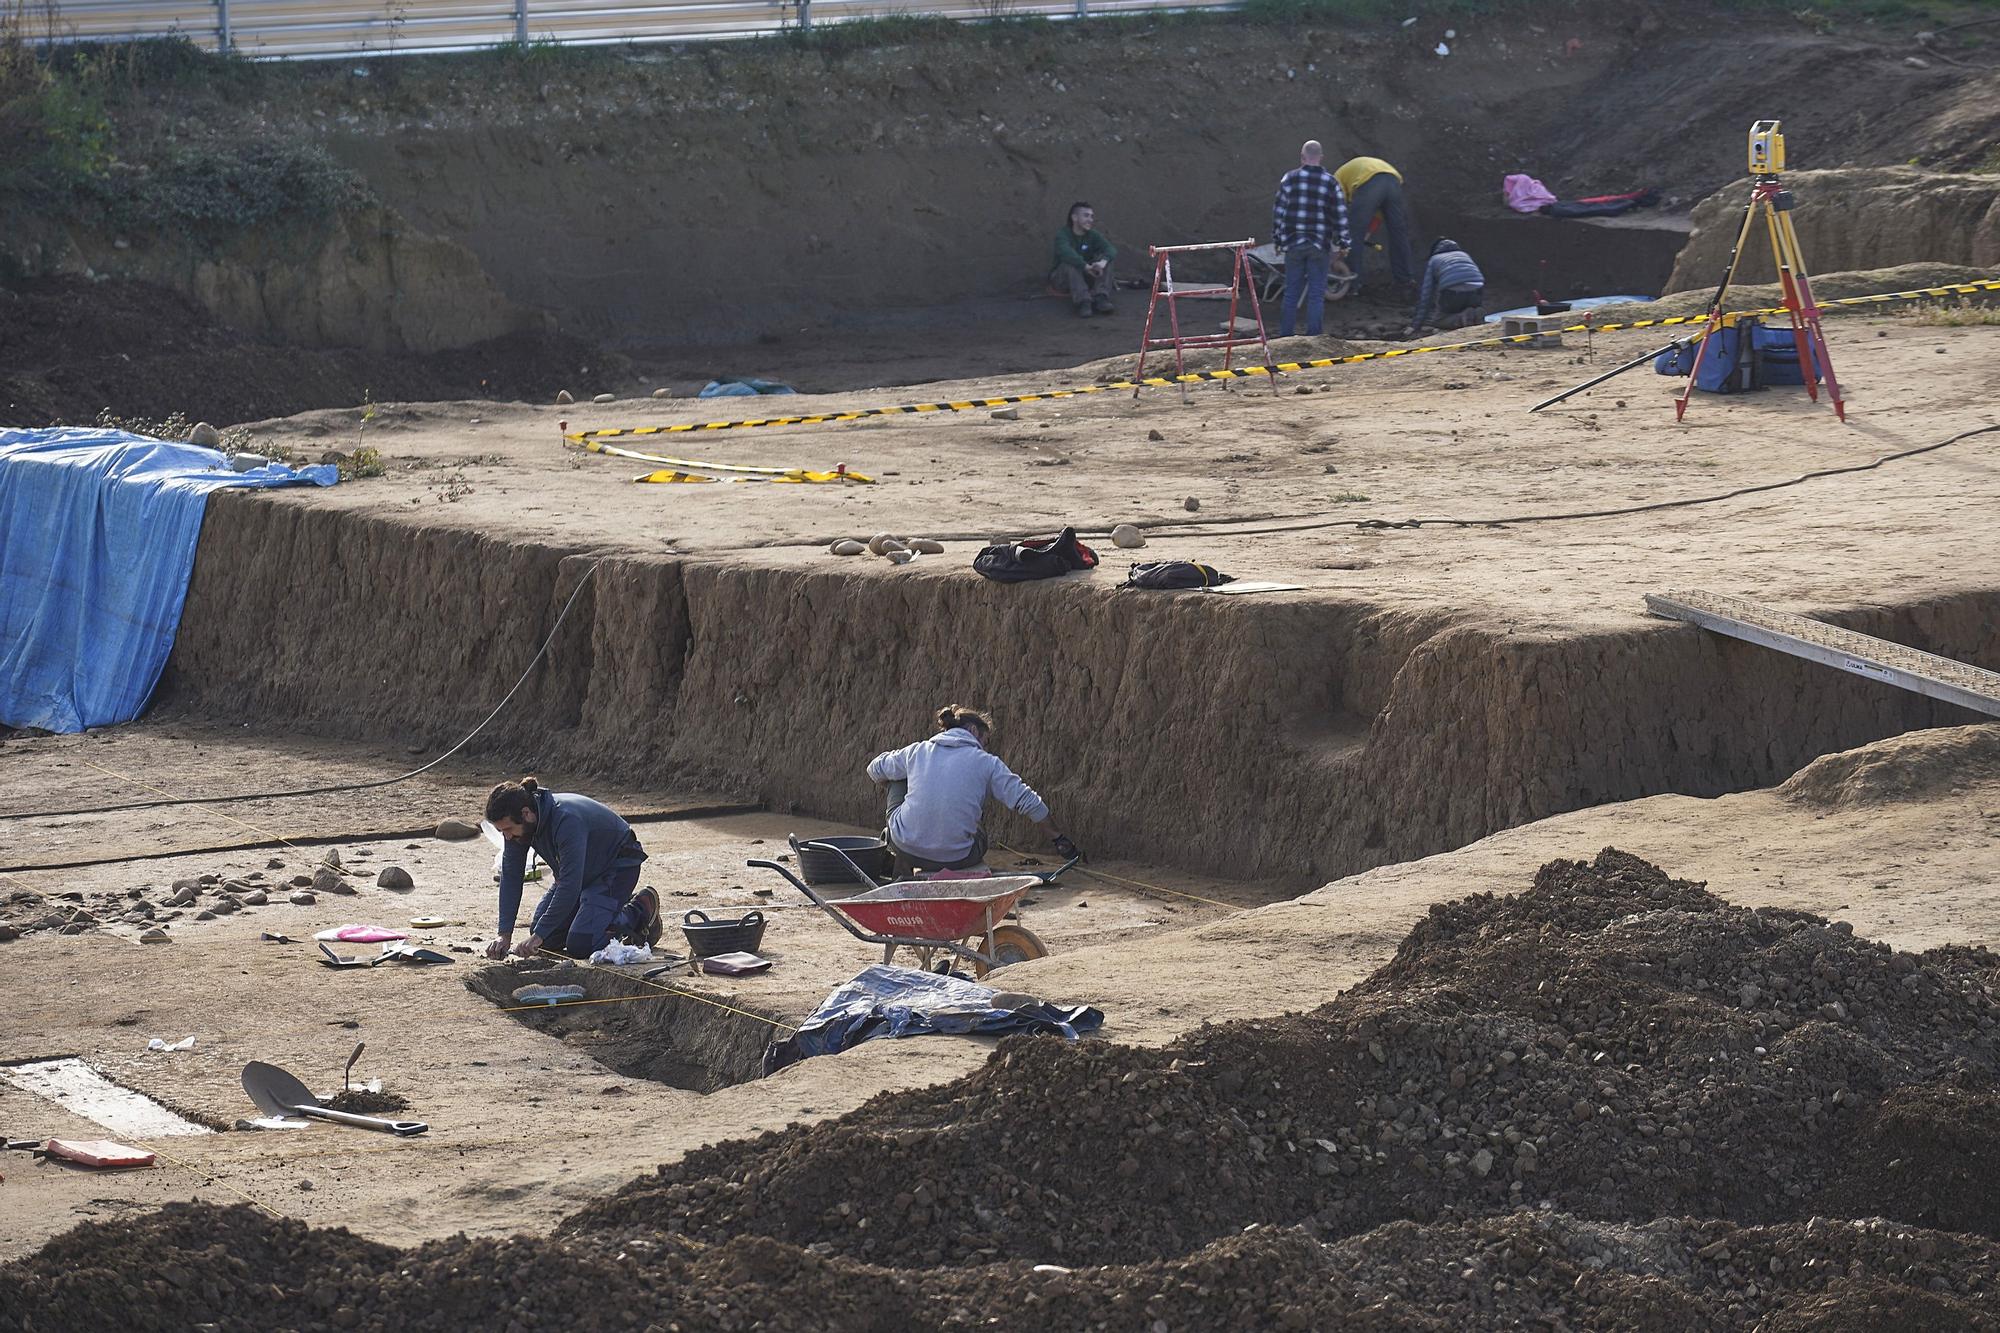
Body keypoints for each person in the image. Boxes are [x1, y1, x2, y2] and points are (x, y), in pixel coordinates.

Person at [866, 705, 1080, 877]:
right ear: (974, 731)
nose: (984, 747)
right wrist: (1059, 839)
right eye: (984, 741)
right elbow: (1030, 802)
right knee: (979, 832)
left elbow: (874, 769)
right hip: (958, 858)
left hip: (905, 848)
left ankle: (899, 858)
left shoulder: (917, 751)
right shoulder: (987, 763)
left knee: (896, 776)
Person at [482, 777, 660, 960]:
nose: (507, 837)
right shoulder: (521, 828)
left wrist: (538, 936)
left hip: (616, 868)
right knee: (546, 938)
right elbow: (511, 876)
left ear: (526, 813)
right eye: (501, 831)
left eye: (508, 829)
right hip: (581, 873)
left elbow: (569, 885)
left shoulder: (567, 820)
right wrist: (504, 934)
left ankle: (639, 909)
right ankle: (602, 908)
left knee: (582, 944)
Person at [1270, 140, 1352, 338]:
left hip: (1293, 243)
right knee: (1316, 294)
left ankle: (1285, 337)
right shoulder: (1331, 182)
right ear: (1321, 157)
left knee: (1291, 292)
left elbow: (1278, 212)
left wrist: (1278, 240)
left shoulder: (1289, 179)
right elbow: (1340, 215)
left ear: (1302, 157)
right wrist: (1344, 243)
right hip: (1319, 245)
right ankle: (1314, 337)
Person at [1335, 155, 1416, 292]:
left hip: (1369, 179)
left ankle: (1351, 285)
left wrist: (1341, 236)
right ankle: (1404, 280)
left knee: (1353, 234)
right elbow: (1378, 216)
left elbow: (1337, 207)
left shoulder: (1336, 179)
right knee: (1398, 233)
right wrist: (1367, 233)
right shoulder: (1351, 174)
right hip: (1392, 179)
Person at [1051, 202, 1118, 318]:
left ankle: (1101, 297)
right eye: (1086, 216)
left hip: (1086, 277)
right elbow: (1067, 253)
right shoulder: (1063, 235)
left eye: (1091, 216)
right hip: (1062, 280)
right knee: (1070, 263)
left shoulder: (1093, 235)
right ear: (1074, 217)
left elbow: (1110, 249)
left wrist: (1102, 263)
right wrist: (1086, 267)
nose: (1090, 220)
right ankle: (1083, 302)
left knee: (1106, 258)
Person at [1407, 239, 1487, 335]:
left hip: (1453, 292)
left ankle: (1460, 318)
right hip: (1476, 290)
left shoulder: (1434, 259)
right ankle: (1476, 313)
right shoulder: (1464, 255)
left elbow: (1426, 295)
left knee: (1439, 320)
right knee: (1466, 308)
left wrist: (1415, 325)